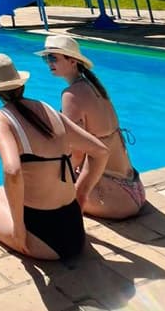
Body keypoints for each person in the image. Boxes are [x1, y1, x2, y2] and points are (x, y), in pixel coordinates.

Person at [0, 53, 109, 261]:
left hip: (44, 237)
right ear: (21, 83)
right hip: (73, 227)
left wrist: (18, 228)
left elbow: (12, 170)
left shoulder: (1, 118)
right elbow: (100, 151)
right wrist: (80, 194)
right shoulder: (48, 109)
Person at [37, 33, 146, 219]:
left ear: (73, 61)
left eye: (53, 57)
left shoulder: (71, 95)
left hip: (114, 200)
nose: (49, 62)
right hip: (134, 189)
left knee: (39, 187)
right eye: (46, 58)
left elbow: (77, 154)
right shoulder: (95, 87)